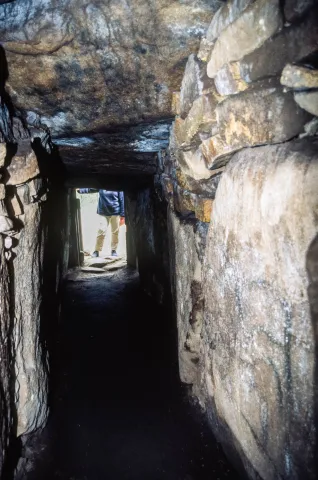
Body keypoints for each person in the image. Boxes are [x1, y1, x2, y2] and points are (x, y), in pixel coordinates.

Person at [78, 189, 125, 257]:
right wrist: (80, 190)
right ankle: (97, 250)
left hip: (116, 212)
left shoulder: (117, 186)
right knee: (102, 230)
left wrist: (122, 215)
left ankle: (113, 250)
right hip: (104, 212)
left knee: (115, 232)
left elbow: (122, 199)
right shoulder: (101, 185)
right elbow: (91, 189)